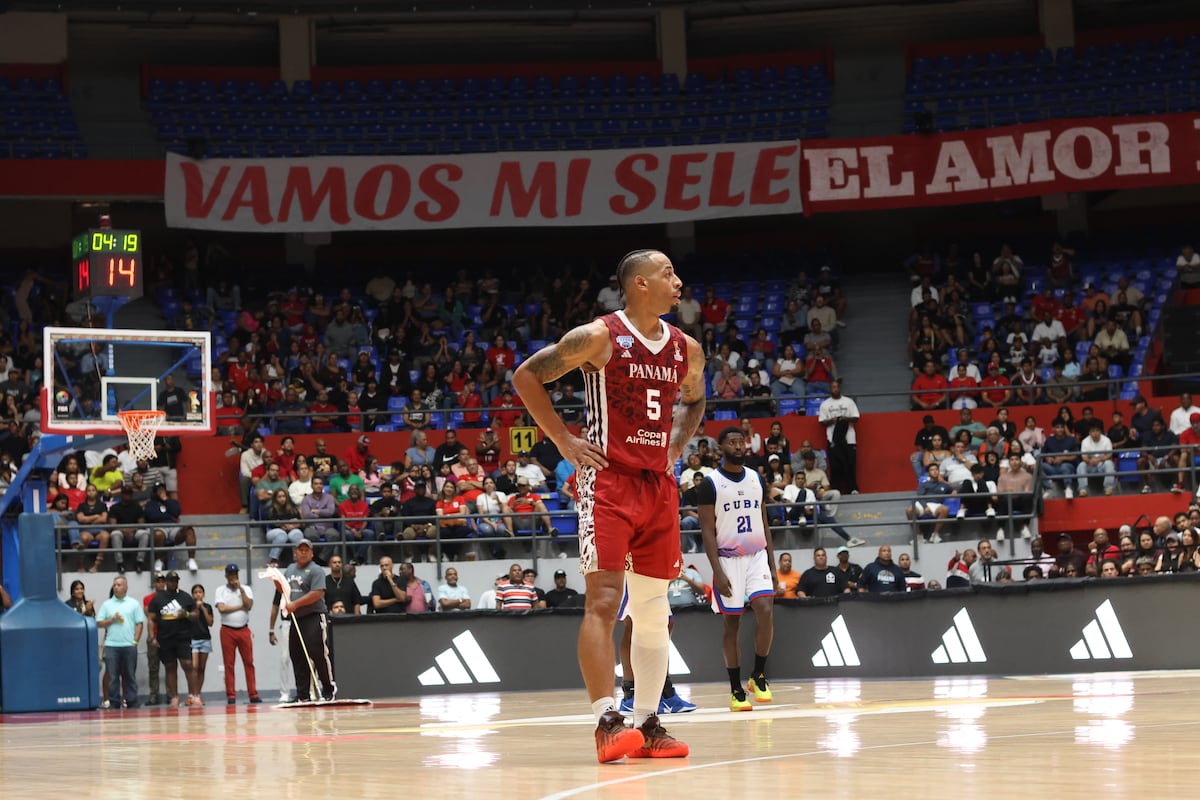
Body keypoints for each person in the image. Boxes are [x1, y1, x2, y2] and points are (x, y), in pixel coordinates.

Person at [510, 248, 703, 762]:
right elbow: (526, 376)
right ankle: (605, 720)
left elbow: (696, 398)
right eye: (668, 273)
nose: (678, 281)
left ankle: (648, 723)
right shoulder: (598, 336)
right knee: (603, 602)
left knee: (654, 610)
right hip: (609, 481)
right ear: (640, 284)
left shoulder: (688, 348)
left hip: (658, 486)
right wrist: (563, 440)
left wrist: (677, 446)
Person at [699, 426, 777, 712]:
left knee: (766, 610)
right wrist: (717, 571)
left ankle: (758, 675)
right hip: (728, 559)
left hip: (756, 555)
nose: (739, 446)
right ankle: (735, 688)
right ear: (721, 448)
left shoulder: (757, 478)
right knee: (732, 623)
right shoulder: (710, 483)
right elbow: (707, 531)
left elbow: (764, 524)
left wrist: (772, 563)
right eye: (732, 442)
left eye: (741, 441)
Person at [280, 540, 335, 701]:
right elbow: (284, 589)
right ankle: (302, 694)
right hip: (296, 619)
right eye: (300, 550)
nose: (303, 552)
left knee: (318, 653)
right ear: (295, 553)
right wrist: (276, 580)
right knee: (297, 655)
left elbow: (317, 593)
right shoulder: (290, 569)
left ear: (311, 553)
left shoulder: (316, 570)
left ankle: (328, 689)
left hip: (314, 616)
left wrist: (295, 604)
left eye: (306, 550)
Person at [147, 570, 201, 709]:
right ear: (166, 582)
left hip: (182, 637)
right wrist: (152, 637)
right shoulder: (158, 599)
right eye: (171, 580)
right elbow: (151, 619)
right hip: (165, 638)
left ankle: (194, 695)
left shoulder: (185, 597)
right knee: (170, 667)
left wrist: (187, 614)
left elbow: (195, 614)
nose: (173, 583)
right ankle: (175, 697)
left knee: (188, 664)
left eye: (175, 580)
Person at [214, 564, 261, 705]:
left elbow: (249, 605)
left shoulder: (245, 589)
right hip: (227, 630)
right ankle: (231, 695)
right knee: (229, 664)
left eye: (235, 574)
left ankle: (253, 694)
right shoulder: (220, 590)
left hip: (244, 630)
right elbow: (222, 609)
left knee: (249, 662)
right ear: (226, 576)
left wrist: (240, 589)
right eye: (230, 574)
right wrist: (240, 607)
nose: (233, 577)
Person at [96, 576, 145, 709]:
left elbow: (140, 623)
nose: (116, 587)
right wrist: (112, 620)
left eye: (119, 585)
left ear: (125, 587)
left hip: (129, 645)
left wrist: (135, 641)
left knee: (130, 675)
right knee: (113, 676)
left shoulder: (134, 603)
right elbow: (99, 623)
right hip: (112, 645)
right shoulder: (107, 604)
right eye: (114, 585)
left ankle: (132, 700)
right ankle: (114, 701)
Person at [817, 380, 860, 494]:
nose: (835, 389)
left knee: (851, 465)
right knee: (835, 466)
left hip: (849, 440)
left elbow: (856, 418)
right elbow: (821, 422)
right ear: (830, 389)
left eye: (837, 387)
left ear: (840, 388)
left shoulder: (849, 402)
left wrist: (844, 418)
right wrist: (833, 420)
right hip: (832, 440)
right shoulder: (825, 404)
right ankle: (836, 490)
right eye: (833, 387)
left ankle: (853, 488)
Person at [189, 583, 214, 703]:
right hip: (193, 639)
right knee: (194, 667)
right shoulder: (190, 607)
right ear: (192, 594)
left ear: (203, 594)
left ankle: (198, 694)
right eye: (195, 592)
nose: (198, 594)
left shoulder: (208, 607)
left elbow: (210, 622)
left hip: (205, 639)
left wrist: (203, 608)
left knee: (201, 668)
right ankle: (193, 694)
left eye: (200, 592)